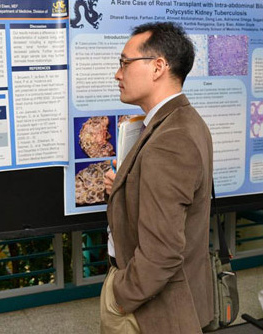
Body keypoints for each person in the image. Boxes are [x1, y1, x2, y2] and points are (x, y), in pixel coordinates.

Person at [101, 22, 214, 333]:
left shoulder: (171, 138)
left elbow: (163, 251)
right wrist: (123, 188)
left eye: (125, 63)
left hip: (151, 310)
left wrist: (121, 296)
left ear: (158, 67)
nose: (118, 74)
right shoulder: (179, 121)